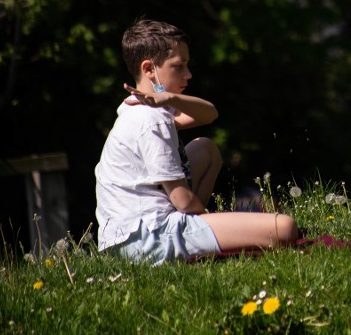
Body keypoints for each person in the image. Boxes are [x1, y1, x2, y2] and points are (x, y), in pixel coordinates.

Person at [95, 19, 299, 264]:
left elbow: (209, 113)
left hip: (127, 239)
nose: (188, 74)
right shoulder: (150, 121)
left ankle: (199, 232)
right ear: (149, 69)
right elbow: (181, 199)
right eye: (178, 67)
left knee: (206, 149)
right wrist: (216, 223)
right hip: (148, 240)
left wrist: (168, 97)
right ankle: (199, 234)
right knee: (285, 228)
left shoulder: (137, 108)